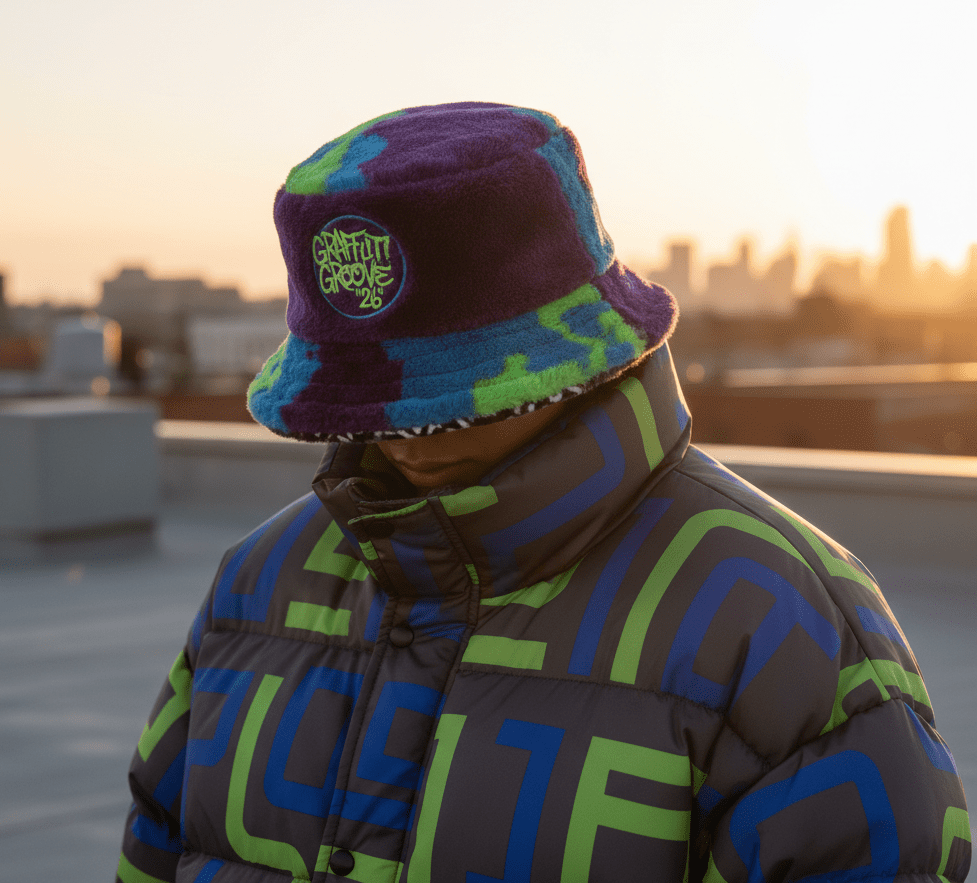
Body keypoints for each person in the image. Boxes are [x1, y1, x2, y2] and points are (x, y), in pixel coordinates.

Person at [118, 103, 970, 883]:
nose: (408, 435)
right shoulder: (255, 584)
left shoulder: (778, 622)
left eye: (451, 399)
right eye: (378, 403)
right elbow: (157, 842)